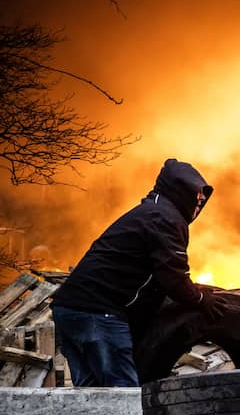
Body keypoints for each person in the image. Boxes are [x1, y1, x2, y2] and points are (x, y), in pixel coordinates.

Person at [50, 158, 225, 386]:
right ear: (180, 191)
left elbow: (159, 280)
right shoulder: (165, 219)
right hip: (98, 313)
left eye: (204, 194)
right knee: (123, 395)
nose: (201, 199)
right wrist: (201, 299)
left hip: (69, 309)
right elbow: (173, 276)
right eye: (196, 193)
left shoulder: (151, 212)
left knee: (91, 397)